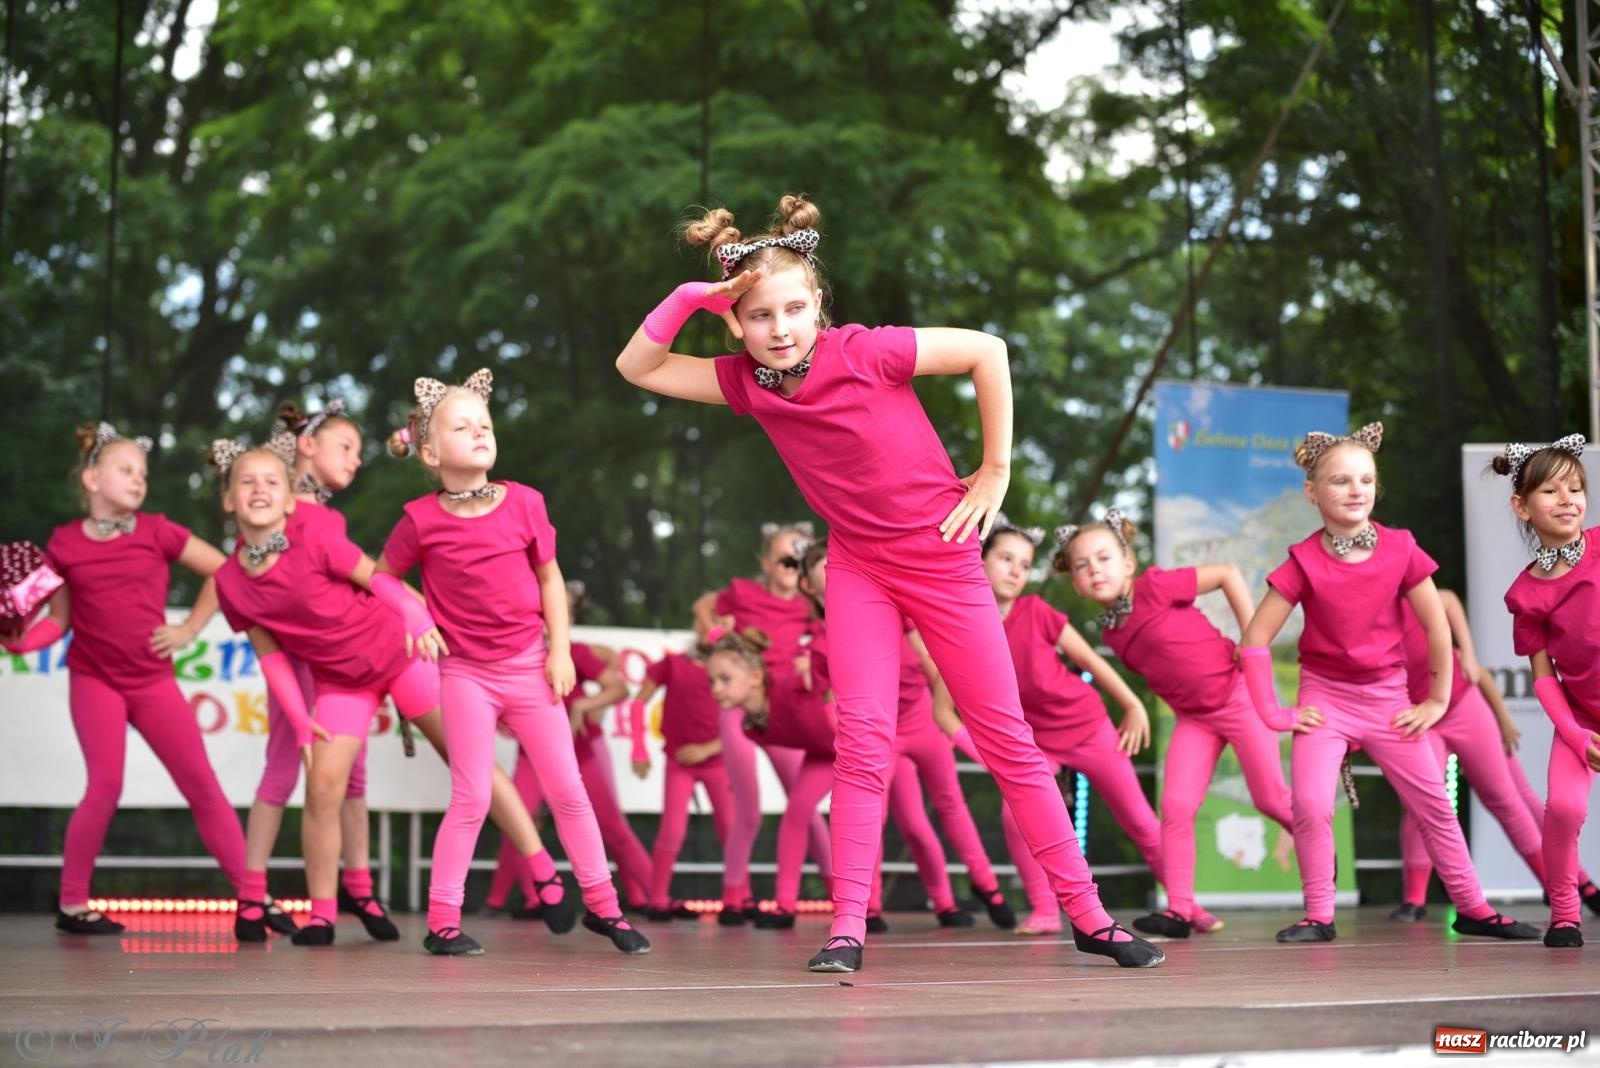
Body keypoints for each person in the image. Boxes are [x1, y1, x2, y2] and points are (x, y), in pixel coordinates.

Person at [615, 194, 1161, 972]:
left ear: (819, 306)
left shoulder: (865, 350)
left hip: (941, 557)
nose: (780, 327)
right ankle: (845, 928)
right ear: (737, 323)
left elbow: (988, 351)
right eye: (761, 314)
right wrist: (690, 300)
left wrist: (995, 470)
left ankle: (1090, 915)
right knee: (862, 744)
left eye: (796, 308)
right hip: (861, 568)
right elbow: (637, 366)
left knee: (1007, 741)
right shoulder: (746, 381)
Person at [378, 370, 647, 956]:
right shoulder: (421, 519)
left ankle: (605, 908)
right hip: (466, 674)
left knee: (569, 790)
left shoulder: (525, 502)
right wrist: (417, 617)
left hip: (530, 667)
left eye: (485, 424)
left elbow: (550, 578)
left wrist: (558, 649)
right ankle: (443, 921)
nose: (478, 432)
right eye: (461, 426)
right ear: (429, 451)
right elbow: (382, 578)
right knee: (472, 795)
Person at [1240, 422, 1537, 943]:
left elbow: (1437, 622)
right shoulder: (1303, 560)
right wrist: (1273, 713)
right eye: (1340, 481)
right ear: (1312, 493)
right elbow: (1255, 640)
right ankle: (1319, 915)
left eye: (1366, 480)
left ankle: (1473, 908)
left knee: (1434, 807)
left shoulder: (1400, 548)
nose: (1356, 490)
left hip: (1388, 699)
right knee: (1308, 803)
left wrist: (1437, 698)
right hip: (1325, 699)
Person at [2, 423, 247, 935]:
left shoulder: (158, 529)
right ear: (92, 479)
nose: (139, 480)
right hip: (96, 680)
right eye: (126, 469)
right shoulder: (64, 544)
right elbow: (58, 620)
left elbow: (224, 571)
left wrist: (189, 629)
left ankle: (254, 898)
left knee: (202, 784)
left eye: (143, 473)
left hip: (152, 680)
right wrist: (16, 642)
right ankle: (71, 906)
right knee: (105, 786)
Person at [1058, 509, 1294, 939]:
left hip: (1237, 697)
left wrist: (1250, 638)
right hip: (1195, 720)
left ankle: (1316, 839)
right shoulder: (1112, 634)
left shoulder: (1156, 586)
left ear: (1128, 563)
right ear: (1075, 581)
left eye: (1104, 558)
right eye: (1083, 565)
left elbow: (1226, 573)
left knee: (1271, 800)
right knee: (1176, 807)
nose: (1095, 569)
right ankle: (1180, 909)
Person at [1496, 434, 1600, 947]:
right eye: (1551, 492)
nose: (1568, 500)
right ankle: (1565, 914)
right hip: (1581, 720)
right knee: (1562, 808)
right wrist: (1577, 736)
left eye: (1576, 488)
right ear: (1522, 505)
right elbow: (1543, 677)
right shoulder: (1525, 592)